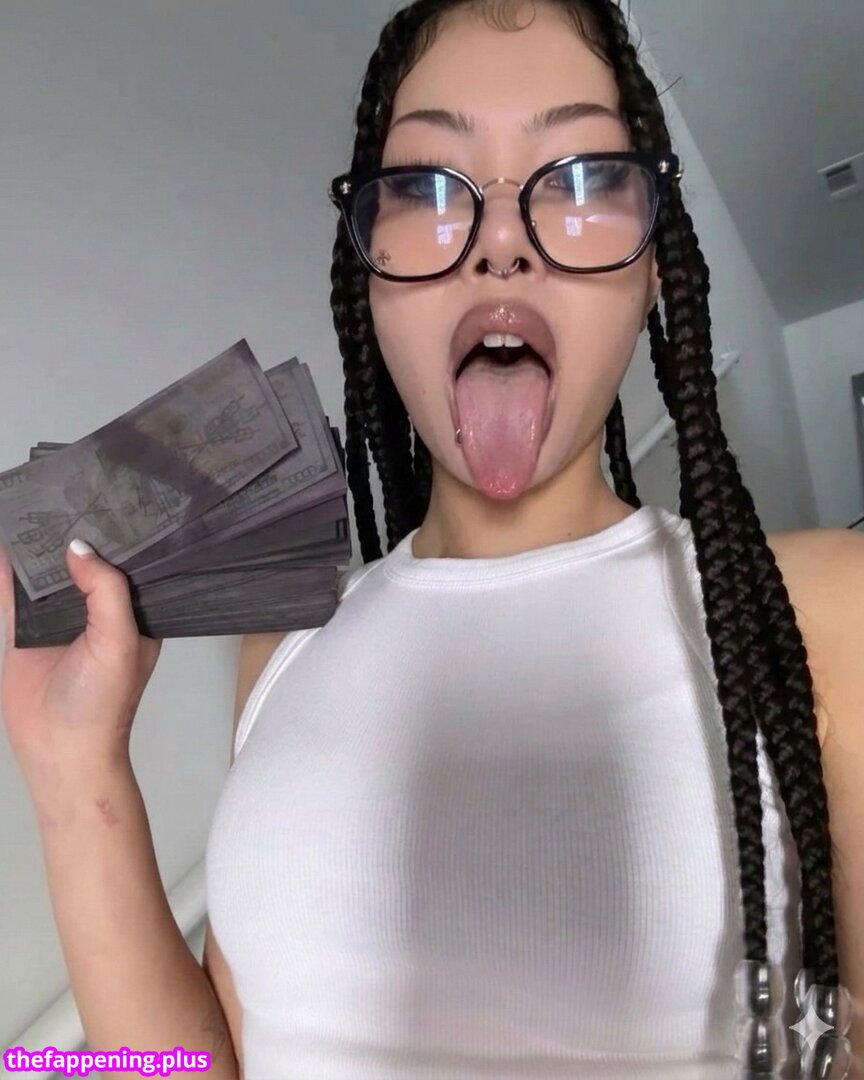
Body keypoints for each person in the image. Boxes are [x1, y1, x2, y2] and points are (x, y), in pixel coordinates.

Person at [1, 1, 861, 1078]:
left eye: (582, 176)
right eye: (426, 185)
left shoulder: (825, 610)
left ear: (654, 261)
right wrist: (69, 765)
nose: (501, 243)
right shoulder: (285, 649)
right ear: (369, 269)